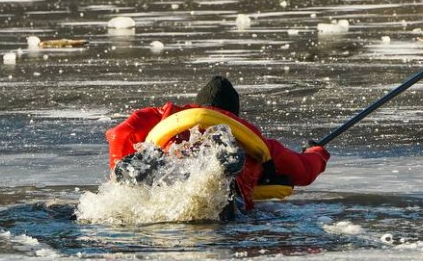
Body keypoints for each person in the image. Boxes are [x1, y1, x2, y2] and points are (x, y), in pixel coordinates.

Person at [105, 75, 330, 216]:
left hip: (172, 164)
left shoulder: (164, 116)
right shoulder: (257, 143)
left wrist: (117, 173)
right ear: (234, 114)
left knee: (167, 171)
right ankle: (223, 163)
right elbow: (305, 170)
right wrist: (316, 152)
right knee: (225, 195)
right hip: (231, 191)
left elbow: (119, 133)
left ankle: (143, 168)